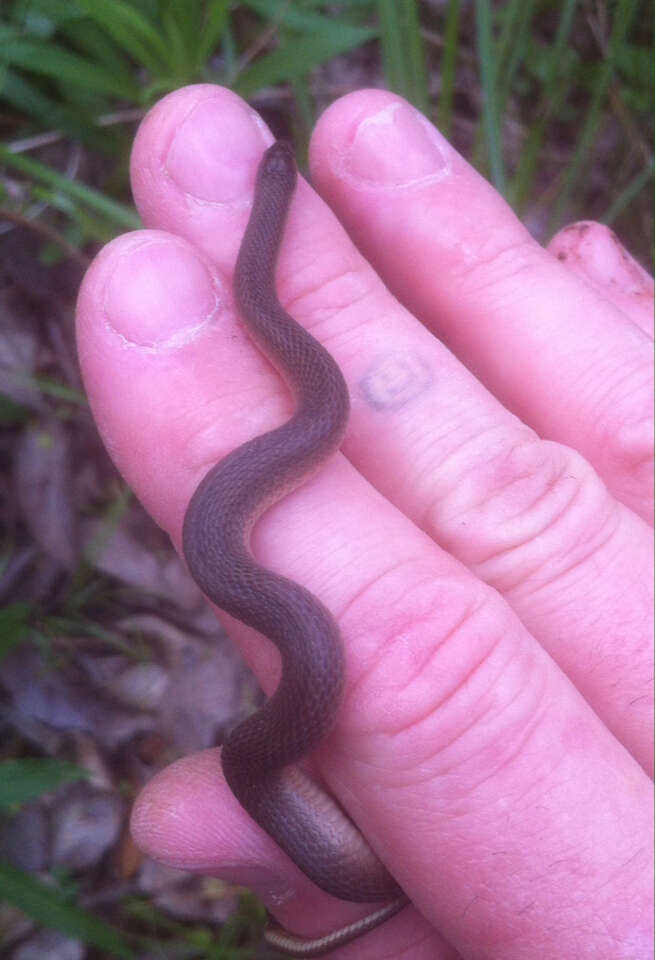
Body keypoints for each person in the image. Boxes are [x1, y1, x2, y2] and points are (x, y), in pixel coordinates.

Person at [76, 86, 654, 959]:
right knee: (390, 680)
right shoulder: (291, 396)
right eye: (283, 172)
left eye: (277, 173)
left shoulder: (299, 374)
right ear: (286, 193)